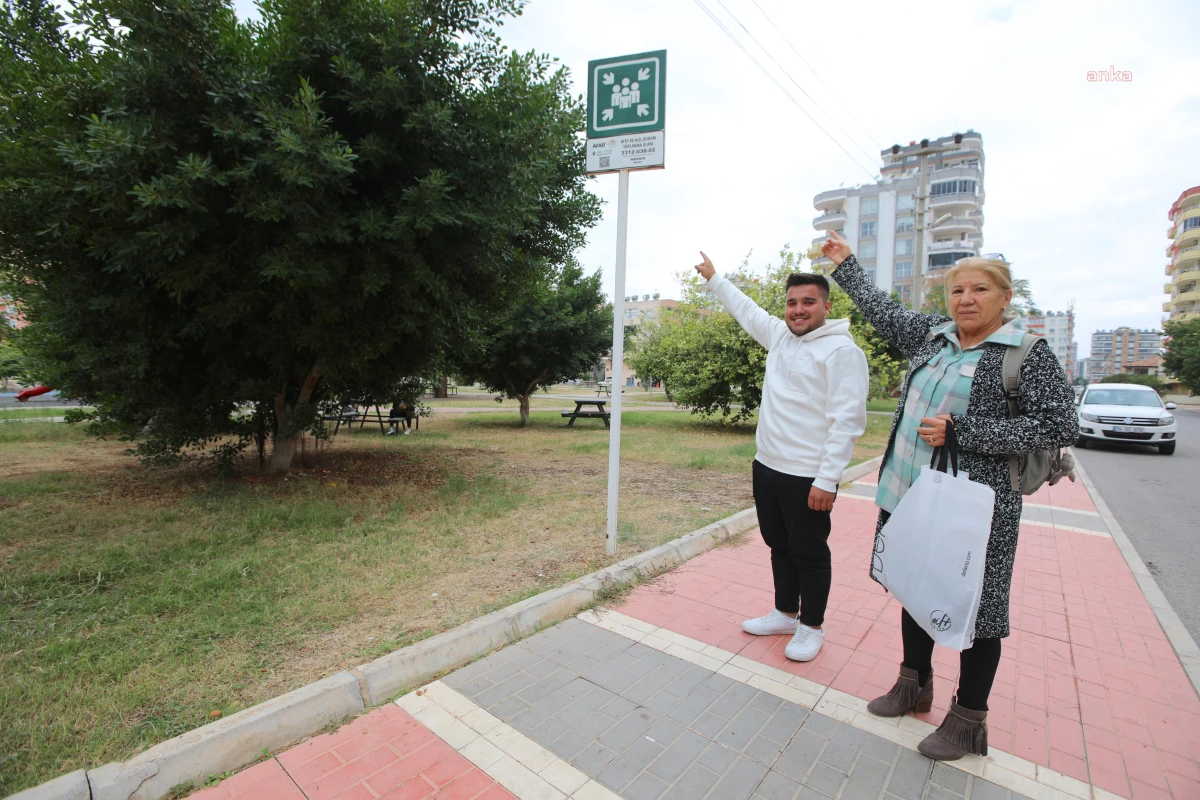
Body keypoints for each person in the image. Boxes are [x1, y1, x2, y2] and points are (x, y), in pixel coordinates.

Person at [820, 232, 1078, 760]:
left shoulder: (1026, 354)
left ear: (1004, 297)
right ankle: (913, 685)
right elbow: (881, 312)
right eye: (957, 290)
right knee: (913, 587)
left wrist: (967, 432)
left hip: (976, 510)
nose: (966, 299)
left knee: (979, 611)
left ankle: (967, 719)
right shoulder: (933, 337)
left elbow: (1060, 423)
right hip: (910, 494)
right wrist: (846, 266)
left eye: (979, 289)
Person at [693, 252, 869, 662]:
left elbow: (847, 422)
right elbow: (746, 310)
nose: (798, 310)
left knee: (809, 553)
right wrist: (715, 277)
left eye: (808, 302)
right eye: (792, 302)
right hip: (767, 467)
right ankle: (786, 612)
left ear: (827, 306)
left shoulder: (842, 352)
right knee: (778, 545)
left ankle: (812, 627)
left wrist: (828, 479)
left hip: (808, 476)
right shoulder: (779, 336)